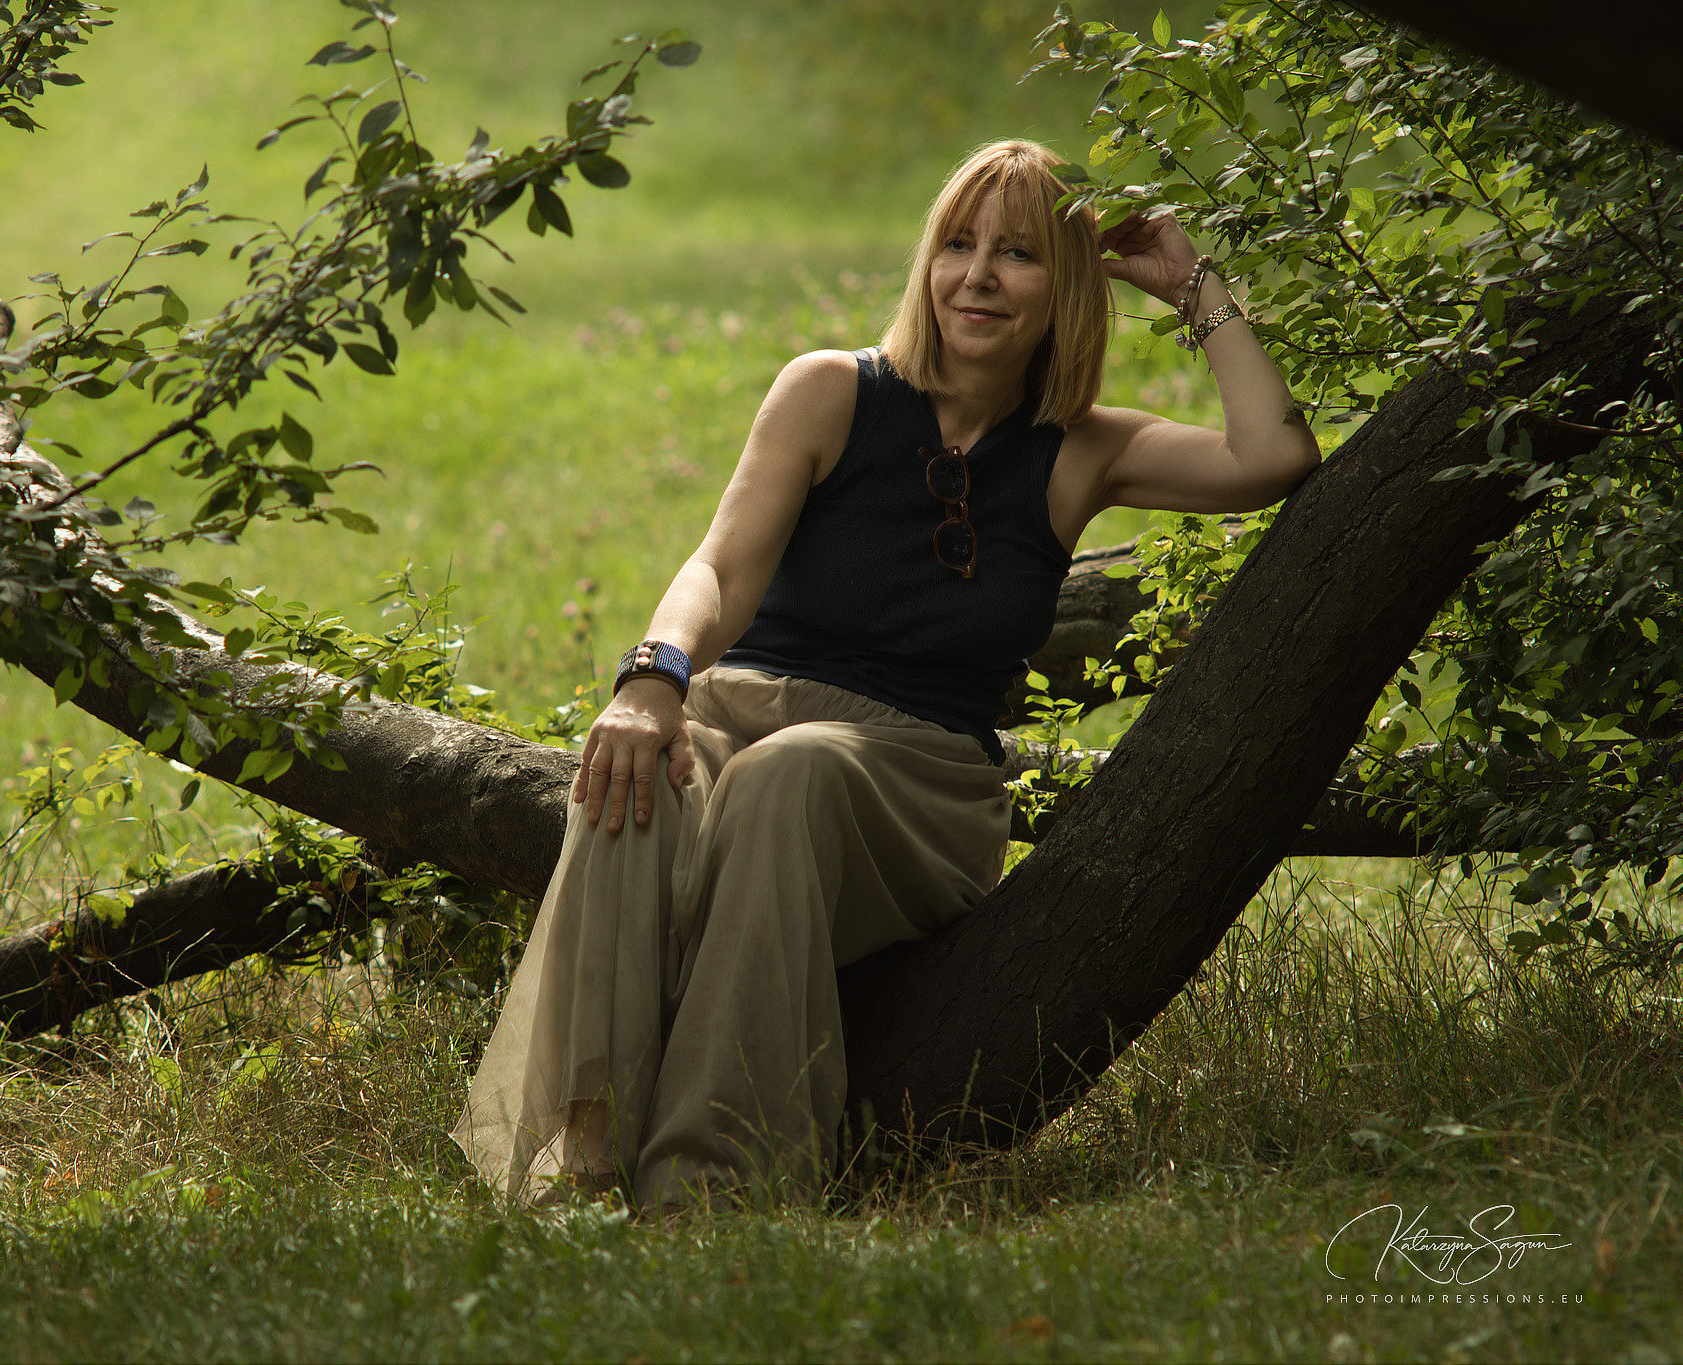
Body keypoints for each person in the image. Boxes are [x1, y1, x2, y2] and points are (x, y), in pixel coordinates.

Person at [450, 138, 1320, 1213]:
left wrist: (1194, 285)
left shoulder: (1081, 449)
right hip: (738, 715)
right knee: (634, 775)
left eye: (1018, 254)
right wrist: (650, 679)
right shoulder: (828, 392)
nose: (977, 276)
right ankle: (580, 1164)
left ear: (1070, 286)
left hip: (916, 783)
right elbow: (717, 565)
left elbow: (1271, 458)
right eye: (956, 245)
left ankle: (713, 1196)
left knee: (791, 774)